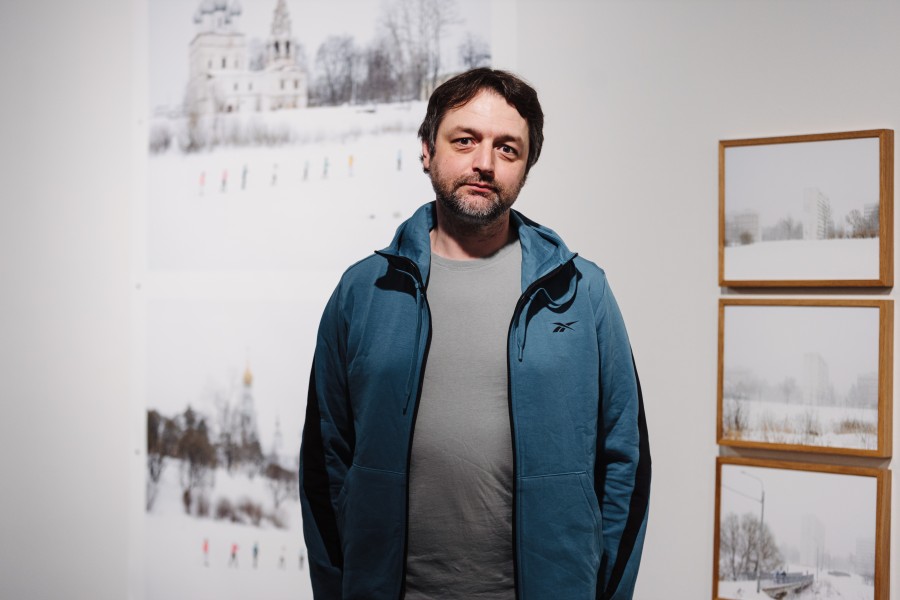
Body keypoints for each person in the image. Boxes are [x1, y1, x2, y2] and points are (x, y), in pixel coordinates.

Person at [300, 68, 650, 600]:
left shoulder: (582, 291)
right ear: (427, 150)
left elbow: (626, 460)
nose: (485, 162)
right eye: (465, 140)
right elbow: (324, 465)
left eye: (507, 148)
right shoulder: (363, 291)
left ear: (526, 167)